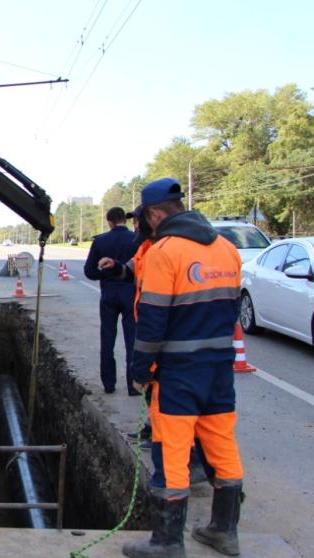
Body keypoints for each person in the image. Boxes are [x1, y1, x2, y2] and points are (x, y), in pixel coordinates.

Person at [122, 178, 245, 558]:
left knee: (171, 452)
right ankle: (224, 532)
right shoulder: (227, 249)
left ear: (156, 214)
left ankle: (167, 542)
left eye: (145, 218)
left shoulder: (165, 252)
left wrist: (140, 369)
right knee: (222, 445)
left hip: (178, 372)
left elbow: (153, 321)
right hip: (219, 371)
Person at [84, 207, 138, 395]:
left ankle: (109, 383)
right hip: (130, 294)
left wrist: (105, 273)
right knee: (132, 340)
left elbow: (89, 271)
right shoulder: (136, 239)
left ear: (109, 222)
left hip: (108, 295)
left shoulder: (100, 241)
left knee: (107, 339)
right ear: (125, 220)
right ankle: (133, 385)